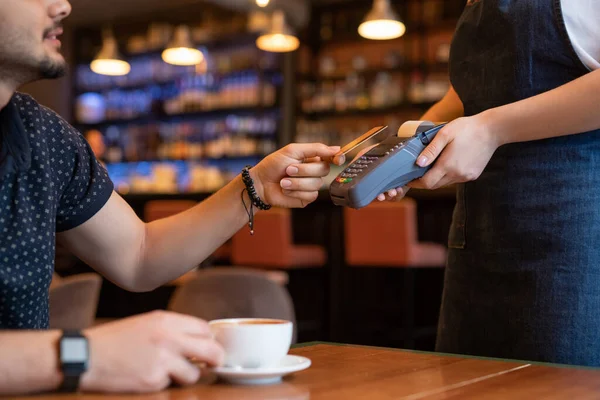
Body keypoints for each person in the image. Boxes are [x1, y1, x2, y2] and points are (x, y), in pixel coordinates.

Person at [0, 0, 343, 395]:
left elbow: (139, 254)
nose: (63, 5)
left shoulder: (44, 137)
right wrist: (84, 355)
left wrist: (254, 188)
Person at [381, 1, 600, 367]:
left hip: (569, 238)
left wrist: (492, 129)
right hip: (476, 235)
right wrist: (409, 150)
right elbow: (469, 93)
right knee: (461, 383)